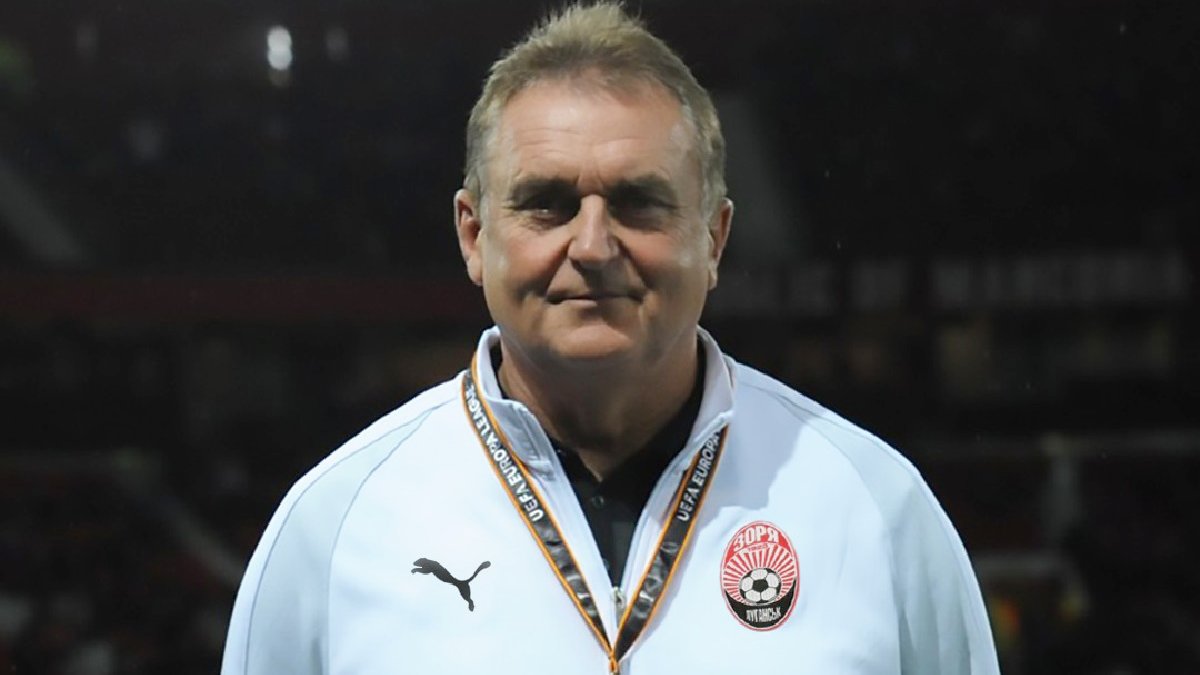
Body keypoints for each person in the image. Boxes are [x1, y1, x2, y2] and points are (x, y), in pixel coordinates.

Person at [221, 3, 1000, 673]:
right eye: (547, 203)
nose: (593, 246)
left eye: (638, 202)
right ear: (473, 234)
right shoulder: (333, 530)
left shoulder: (874, 508)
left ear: (715, 237)